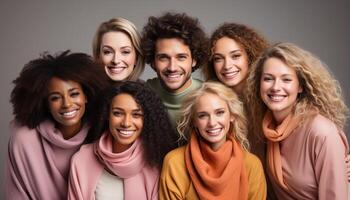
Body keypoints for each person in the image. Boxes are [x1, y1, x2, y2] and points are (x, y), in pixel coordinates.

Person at [245, 42, 349, 199]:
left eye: (286, 80)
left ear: (300, 86)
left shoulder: (321, 132)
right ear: (258, 84)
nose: (275, 87)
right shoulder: (267, 128)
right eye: (268, 79)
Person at [5, 51, 109, 199]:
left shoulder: (101, 134)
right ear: (46, 103)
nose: (67, 104)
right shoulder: (25, 139)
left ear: (86, 95)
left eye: (74, 94)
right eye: (55, 98)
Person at [68, 81, 177, 200]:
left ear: (147, 119)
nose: (126, 123)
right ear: (107, 115)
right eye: (118, 113)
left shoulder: (156, 161)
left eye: (136, 115)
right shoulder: (82, 159)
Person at [159, 82, 266, 200]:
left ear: (232, 116)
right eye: (203, 115)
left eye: (220, 113)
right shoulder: (174, 162)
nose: (212, 123)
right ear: (194, 121)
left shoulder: (252, 165)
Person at [141, 12, 208, 129]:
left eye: (181, 57)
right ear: (153, 61)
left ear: (194, 60)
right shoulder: (142, 94)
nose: (172, 67)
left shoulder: (208, 95)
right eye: (163, 57)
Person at [203, 22, 268, 96]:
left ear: (250, 57)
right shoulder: (209, 99)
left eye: (235, 56)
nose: (227, 66)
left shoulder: (267, 96)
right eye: (218, 58)